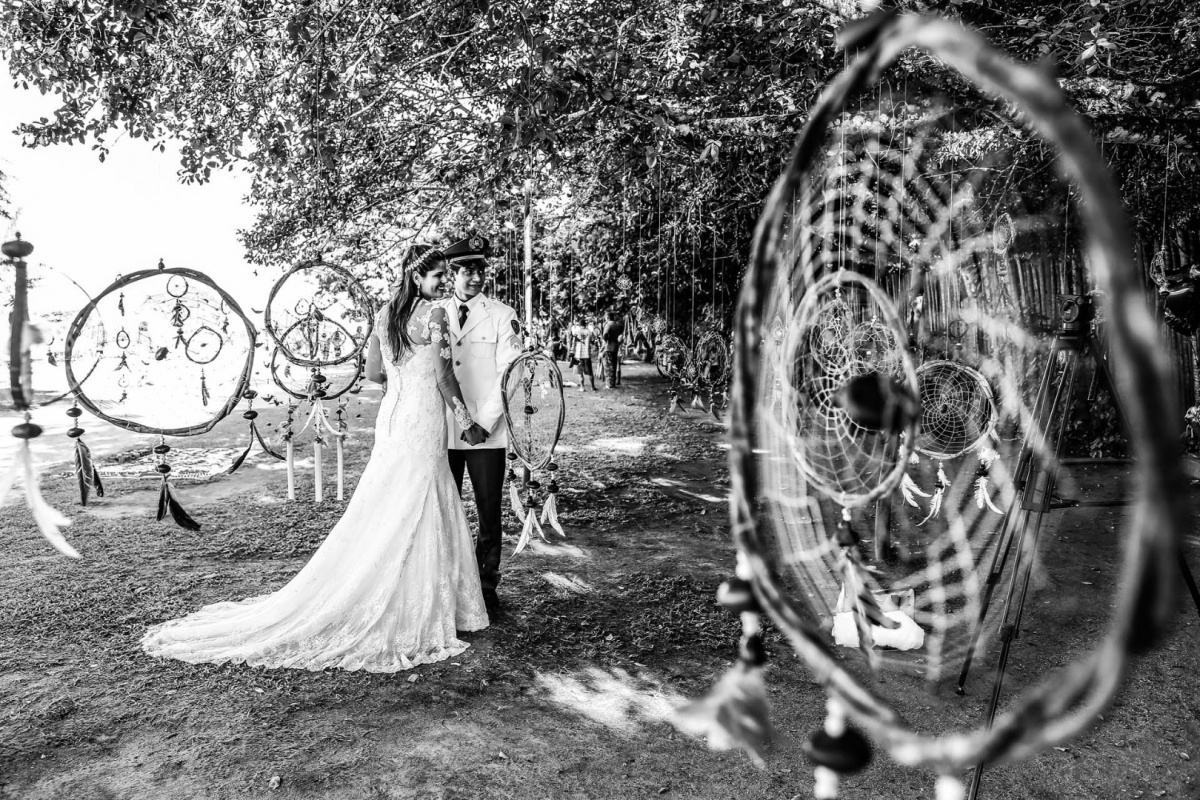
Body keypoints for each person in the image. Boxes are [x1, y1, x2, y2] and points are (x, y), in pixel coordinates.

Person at [141, 245, 489, 673]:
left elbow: (376, 373)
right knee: (420, 499)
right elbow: (444, 375)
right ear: (416, 277)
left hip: (396, 418)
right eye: (436, 275)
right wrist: (467, 420)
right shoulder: (434, 315)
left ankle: (404, 588)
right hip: (424, 417)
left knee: (392, 501)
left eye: (443, 275)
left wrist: (406, 381)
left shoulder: (384, 314)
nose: (442, 282)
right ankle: (419, 601)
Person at [438, 235, 523, 622]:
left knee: (489, 510)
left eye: (481, 270)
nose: (476, 277)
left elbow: (511, 371)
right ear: (453, 274)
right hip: (443, 429)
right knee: (445, 508)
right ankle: (448, 581)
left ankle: (486, 584)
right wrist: (457, 420)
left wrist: (483, 422)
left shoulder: (503, 314)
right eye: (468, 270)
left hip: (486, 432)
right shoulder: (434, 312)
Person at [569, 316, 597, 391]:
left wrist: (572, 353)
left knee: (580, 372)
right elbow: (593, 341)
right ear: (586, 324)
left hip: (578, 355)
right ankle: (592, 387)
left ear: (579, 325)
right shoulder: (590, 332)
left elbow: (573, 344)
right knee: (590, 372)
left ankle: (582, 387)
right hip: (587, 355)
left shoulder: (576, 333)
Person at [601, 311, 625, 389]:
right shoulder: (616, 325)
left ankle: (609, 384)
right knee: (614, 365)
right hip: (615, 347)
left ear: (607, 317)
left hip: (608, 347)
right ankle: (613, 383)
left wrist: (606, 338)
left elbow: (605, 335)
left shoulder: (608, 324)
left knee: (608, 366)